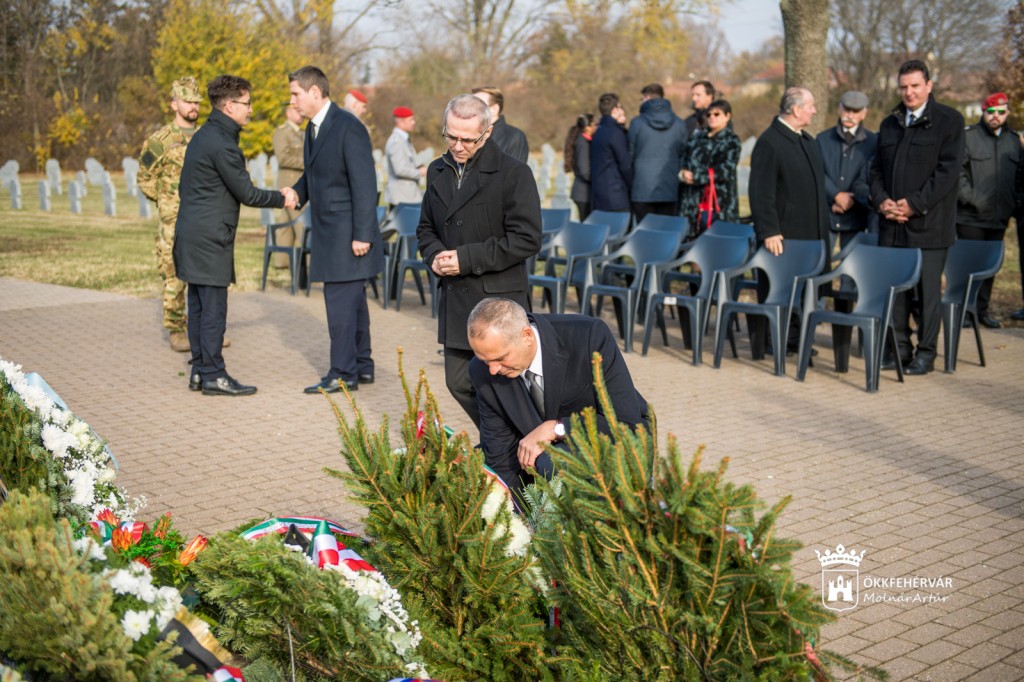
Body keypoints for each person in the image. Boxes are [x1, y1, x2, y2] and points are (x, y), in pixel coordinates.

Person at [416, 94, 542, 428]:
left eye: (467, 139)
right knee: (458, 382)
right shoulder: (437, 170)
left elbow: (527, 239)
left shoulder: (514, 173)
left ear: (486, 133)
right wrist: (434, 255)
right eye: (451, 136)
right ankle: (500, 441)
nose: (457, 146)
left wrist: (466, 258)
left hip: (498, 300)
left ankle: (517, 444)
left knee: (506, 389)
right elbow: (426, 227)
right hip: (457, 298)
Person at [173, 75, 290, 396]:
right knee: (213, 309)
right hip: (210, 238)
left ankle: (200, 370)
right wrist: (283, 198)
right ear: (228, 106)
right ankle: (214, 374)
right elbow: (247, 193)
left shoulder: (204, 135)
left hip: (192, 232)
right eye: (246, 103)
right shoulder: (223, 144)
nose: (250, 109)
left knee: (198, 306)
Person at [467, 297, 649, 504]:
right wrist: (512, 516)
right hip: (535, 456)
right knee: (473, 465)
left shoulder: (588, 336)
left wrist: (557, 428)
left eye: (500, 358)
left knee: (551, 461)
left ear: (527, 336)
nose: (493, 370)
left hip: (609, 443)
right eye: (485, 360)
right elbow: (499, 453)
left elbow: (625, 422)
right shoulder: (481, 370)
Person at [285, 65, 383, 394]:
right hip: (332, 231)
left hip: (348, 234)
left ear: (315, 92)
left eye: (296, 94)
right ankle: (362, 365)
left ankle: (342, 373)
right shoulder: (314, 127)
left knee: (340, 305)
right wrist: (297, 192)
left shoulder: (347, 126)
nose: (292, 101)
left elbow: (365, 184)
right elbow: (317, 174)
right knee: (353, 303)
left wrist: (362, 234)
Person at [870, 59, 965, 375]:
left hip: (930, 227)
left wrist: (914, 204)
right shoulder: (889, 123)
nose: (908, 92)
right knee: (895, 294)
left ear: (929, 85)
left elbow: (948, 172)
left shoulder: (949, 121)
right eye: (903, 87)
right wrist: (882, 202)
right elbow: (875, 170)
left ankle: (926, 354)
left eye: (914, 86)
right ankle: (899, 350)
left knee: (927, 295)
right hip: (892, 226)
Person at [748, 86, 830, 358]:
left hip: (811, 235)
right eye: (810, 106)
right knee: (780, 289)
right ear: (796, 109)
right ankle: (774, 340)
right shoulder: (770, 142)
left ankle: (796, 339)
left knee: (803, 291)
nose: (814, 111)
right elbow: (761, 191)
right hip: (784, 236)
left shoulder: (807, 141)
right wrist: (769, 230)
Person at [137, 76, 202, 353]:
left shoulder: (206, 137)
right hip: (173, 220)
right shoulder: (160, 141)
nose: (193, 106)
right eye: (187, 101)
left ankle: (206, 330)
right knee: (173, 273)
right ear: (174, 104)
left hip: (202, 218)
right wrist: (167, 200)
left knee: (205, 274)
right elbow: (145, 178)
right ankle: (176, 329)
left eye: (196, 101)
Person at [956, 92, 1022, 329]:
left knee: (989, 268)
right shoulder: (968, 137)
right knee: (968, 267)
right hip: (970, 217)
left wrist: (1013, 203)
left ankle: (981, 311)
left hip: (999, 217)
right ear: (984, 112)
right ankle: (964, 311)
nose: (996, 116)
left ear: (1007, 113)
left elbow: (1019, 177)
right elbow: (957, 174)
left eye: (1001, 112)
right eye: (991, 111)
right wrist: (973, 199)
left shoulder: (1013, 141)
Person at [816, 90, 878, 251]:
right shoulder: (822, 139)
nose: (850, 115)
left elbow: (870, 175)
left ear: (864, 113)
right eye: (847, 109)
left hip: (857, 214)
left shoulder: (874, 141)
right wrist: (836, 195)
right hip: (827, 212)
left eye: (855, 111)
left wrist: (852, 199)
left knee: (852, 263)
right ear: (839, 108)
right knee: (820, 261)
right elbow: (817, 171)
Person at [627, 83, 689, 223]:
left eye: (642, 99)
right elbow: (683, 153)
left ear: (647, 98)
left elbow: (630, 155)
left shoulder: (637, 123)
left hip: (642, 188)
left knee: (645, 230)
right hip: (669, 187)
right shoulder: (680, 124)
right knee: (665, 230)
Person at [679, 99, 741, 234]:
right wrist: (683, 173)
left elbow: (726, 170)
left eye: (716, 114)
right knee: (690, 238)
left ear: (727, 116)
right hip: (692, 201)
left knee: (717, 240)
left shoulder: (731, 141)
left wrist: (697, 177)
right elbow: (684, 159)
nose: (712, 117)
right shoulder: (697, 137)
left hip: (718, 201)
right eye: (709, 115)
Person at [271, 102, 306, 267]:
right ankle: (309, 263)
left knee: (286, 224)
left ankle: (283, 261)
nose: (301, 114)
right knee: (302, 224)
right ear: (288, 112)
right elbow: (283, 158)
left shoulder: (303, 133)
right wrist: (306, 163)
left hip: (300, 182)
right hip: (290, 183)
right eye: (297, 110)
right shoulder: (282, 132)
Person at [590, 93, 632, 214]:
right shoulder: (615, 133)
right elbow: (625, 164)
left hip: (599, 193)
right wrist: (632, 185)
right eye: (620, 107)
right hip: (616, 194)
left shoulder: (598, 131)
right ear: (615, 110)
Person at [471, 86, 530, 162]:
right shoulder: (465, 134)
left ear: (494, 109)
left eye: (477, 105)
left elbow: (515, 169)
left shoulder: (514, 137)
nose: (471, 109)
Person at [384, 106, 426, 209]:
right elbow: (400, 170)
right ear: (401, 122)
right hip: (401, 197)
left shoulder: (403, 139)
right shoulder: (397, 141)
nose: (414, 122)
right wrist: (420, 172)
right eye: (410, 120)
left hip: (407, 195)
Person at [563, 113, 595, 221]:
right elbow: (584, 169)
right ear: (587, 128)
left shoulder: (582, 140)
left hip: (581, 192)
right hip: (583, 193)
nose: (596, 127)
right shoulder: (583, 143)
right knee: (586, 223)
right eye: (593, 125)